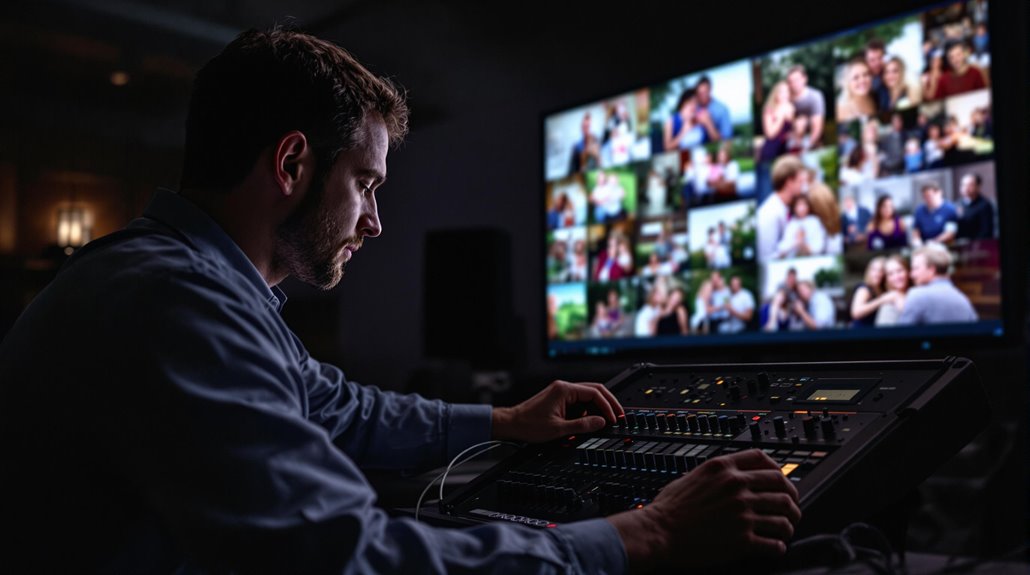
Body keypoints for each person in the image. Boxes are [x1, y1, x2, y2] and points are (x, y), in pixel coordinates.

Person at [0, 26, 803, 574]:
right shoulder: (177, 304)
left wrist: (502, 422)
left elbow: (337, 406)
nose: (375, 221)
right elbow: (352, 559)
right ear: (291, 165)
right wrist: (647, 532)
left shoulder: (187, 283)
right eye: (366, 185)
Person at [898, 245, 978, 324]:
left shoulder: (917, 294)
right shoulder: (962, 299)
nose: (912, 274)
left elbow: (901, 333)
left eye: (915, 268)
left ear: (932, 270)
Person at [756, 155, 805, 262]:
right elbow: (766, 257)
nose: (803, 186)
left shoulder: (785, 207)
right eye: (800, 181)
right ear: (789, 183)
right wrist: (794, 243)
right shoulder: (769, 214)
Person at [775, 194, 827, 259]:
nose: (802, 208)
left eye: (804, 204)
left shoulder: (815, 221)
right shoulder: (791, 224)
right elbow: (782, 247)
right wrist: (796, 242)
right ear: (794, 207)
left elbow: (819, 246)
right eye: (799, 204)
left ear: (808, 206)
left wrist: (805, 246)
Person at [786, 64, 826, 148]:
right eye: (790, 81)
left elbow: (817, 128)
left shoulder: (815, 96)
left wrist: (806, 147)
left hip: (812, 143)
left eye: (796, 80)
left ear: (804, 79)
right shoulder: (786, 99)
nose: (794, 84)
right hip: (792, 143)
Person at [758, 80, 795, 163]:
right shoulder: (769, 110)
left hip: (785, 151)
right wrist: (781, 114)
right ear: (776, 94)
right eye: (782, 92)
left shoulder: (791, 108)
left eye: (787, 91)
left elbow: (792, 131)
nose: (785, 94)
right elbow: (770, 134)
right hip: (771, 151)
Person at [694, 75, 734, 144]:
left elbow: (727, 139)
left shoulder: (722, 109)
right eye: (699, 94)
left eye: (704, 93)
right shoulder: (694, 108)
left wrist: (708, 123)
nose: (701, 97)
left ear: (710, 90)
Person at [849, 255, 887, 328]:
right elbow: (856, 312)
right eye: (874, 269)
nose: (877, 273)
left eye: (881, 270)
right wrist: (882, 300)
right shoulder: (864, 289)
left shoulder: (881, 291)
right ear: (869, 271)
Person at [836, 57, 878, 124]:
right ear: (848, 82)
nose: (862, 80)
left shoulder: (873, 96)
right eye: (856, 77)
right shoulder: (840, 108)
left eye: (865, 74)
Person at [663, 86, 705, 151]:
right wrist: (683, 132)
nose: (693, 106)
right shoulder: (671, 121)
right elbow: (667, 147)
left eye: (696, 103)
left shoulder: (700, 118)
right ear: (683, 103)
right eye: (690, 102)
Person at [874, 254, 911, 326]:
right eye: (891, 274)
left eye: (899, 271)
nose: (896, 277)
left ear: (908, 271)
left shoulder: (917, 294)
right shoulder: (888, 305)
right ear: (887, 279)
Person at [956, 172, 996, 240]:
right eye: (963, 185)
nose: (966, 188)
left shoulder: (984, 205)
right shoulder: (958, 203)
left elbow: (986, 232)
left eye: (970, 185)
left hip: (976, 244)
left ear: (978, 187)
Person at [864, 38, 890, 112]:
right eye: (872, 60)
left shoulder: (890, 73)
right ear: (866, 61)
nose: (877, 63)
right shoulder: (864, 80)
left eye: (880, 58)